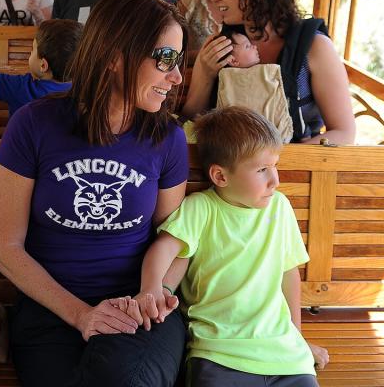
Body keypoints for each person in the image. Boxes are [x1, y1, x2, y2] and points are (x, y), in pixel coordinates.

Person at [0, 0, 189, 387]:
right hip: (51, 307)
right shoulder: (34, 125)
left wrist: (155, 291)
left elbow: (177, 240)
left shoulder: (167, 138)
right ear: (115, 56)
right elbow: (5, 246)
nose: (177, 76)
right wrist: (82, 314)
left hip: (138, 306)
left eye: (178, 59)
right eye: (165, 58)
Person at [132, 106, 328, 387]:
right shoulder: (202, 208)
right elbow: (165, 248)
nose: (275, 180)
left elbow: (289, 275)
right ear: (221, 177)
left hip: (284, 353)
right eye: (262, 169)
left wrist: (298, 338)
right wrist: (151, 289)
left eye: (275, 166)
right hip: (217, 350)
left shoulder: (280, 208)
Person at [181, 0, 355, 144]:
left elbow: (344, 132)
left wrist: (271, 161)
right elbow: (191, 119)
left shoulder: (314, 46)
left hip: (296, 164)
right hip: (229, 165)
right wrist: (206, 72)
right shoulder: (223, 43)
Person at [185, 25, 293, 143]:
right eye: (247, 46)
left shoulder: (263, 72)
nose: (254, 46)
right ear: (233, 61)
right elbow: (192, 116)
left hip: (270, 135)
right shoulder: (226, 74)